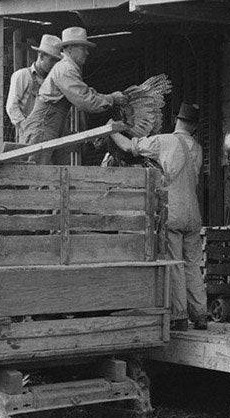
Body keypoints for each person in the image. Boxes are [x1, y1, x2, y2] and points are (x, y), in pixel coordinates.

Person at [110, 102, 207, 331]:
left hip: (173, 209)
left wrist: (112, 131)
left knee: (175, 264)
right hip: (194, 211)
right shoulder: (198, 148)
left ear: (177, 120)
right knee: (193, 264)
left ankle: (180, 316)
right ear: (193, 125)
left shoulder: (165, 141)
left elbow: (130, 147)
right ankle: (201, 315)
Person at [19, 26, 128, 164]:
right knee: (37, 174)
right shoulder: (66, 69)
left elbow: (86, 92)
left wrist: (108, 97)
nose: (87, 53)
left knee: (48, 175)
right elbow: (85, 100)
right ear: (70, 48)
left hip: (49, 129)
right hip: (42, 130)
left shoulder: (68, 68)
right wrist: (112, 99)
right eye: (83, 48)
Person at [5, 34, 62, 130]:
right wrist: (25, 126)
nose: (54, 64)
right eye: (51, 60)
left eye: (56, 61)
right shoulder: (23, 75)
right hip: (29, 133)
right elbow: (12, 106)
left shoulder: (54, 81)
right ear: (41, 56)